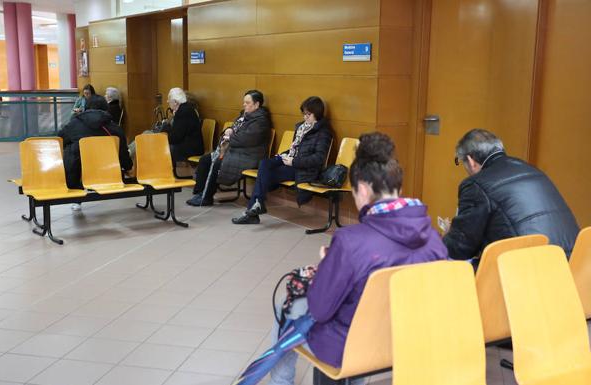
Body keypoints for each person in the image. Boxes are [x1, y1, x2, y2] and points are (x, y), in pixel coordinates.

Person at [267, 132, 448, 385]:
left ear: (362, 189)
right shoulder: (434, 238)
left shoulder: (349, 241)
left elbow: (320, 310)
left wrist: (325, 268)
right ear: (399, 189)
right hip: (409, 340)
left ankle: (280, 382)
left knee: (285, 308)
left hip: (354, 346)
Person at [442, 128, 579, 261]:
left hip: (529, 271)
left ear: (470, 160)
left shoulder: (476, 184)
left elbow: (459, 248)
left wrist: (450, 234)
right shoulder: (533, 171)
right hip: (570, 267)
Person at [232, 96, 332, 224]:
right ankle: (257, 205)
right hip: (291, 160)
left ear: (317, 114)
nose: (305, 117)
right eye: (304, 114)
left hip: (302, 168)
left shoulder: (323, 133)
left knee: (264, 175)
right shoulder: (301, 127)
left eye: (309, 114)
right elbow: (295, 149)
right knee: (264, 164)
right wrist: (281, 156)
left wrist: (293, 162)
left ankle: (254, 209)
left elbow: (318, 159)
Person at [186, 89, 271, 206]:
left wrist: (230, 136)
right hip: (235, 151)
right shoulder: (243, 116)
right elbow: (233, 130)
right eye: (244, 102)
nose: (244, 105)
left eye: (247, 103)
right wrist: (228, 130)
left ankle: (207, 196)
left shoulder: (261, 121)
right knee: (205, 160)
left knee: (216, 163)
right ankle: (201, 192)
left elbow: (244, 139)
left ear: (257, 104)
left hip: (249, 155)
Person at [58, 95, 133, 211]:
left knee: (72, 148)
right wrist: (128, 166)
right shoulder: (115, 128)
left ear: (86, 108)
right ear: (106, 108)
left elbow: (60, 140)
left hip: (78, 175)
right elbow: (123, 154)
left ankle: (77, 198)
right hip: (109, 174)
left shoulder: (74, 124)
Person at [160, 87, 204, 164]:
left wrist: (165, 126)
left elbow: (175, 138)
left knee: (163, 148)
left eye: (169, 100)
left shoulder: (183, 112)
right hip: (192, 146)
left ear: (175, 102)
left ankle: (165, 172)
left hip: (191, 148)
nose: (167, 102)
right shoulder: (186, 109)